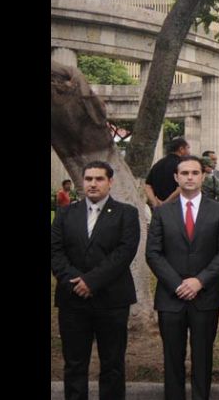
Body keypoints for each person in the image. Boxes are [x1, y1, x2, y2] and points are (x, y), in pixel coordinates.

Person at [145, 156, 219, 400]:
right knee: (172, 356)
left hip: (206, 296)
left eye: (195, 172)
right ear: (176, 177)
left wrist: (200, 281)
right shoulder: (162, 212)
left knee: (203, 355)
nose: (190, 177)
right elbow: (153, 253)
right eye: (184, 173)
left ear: (202, 176)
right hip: (170, 297)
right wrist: (177, 284)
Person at [51, 161, 140, 400]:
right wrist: (75, 281)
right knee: (74, 364)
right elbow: (55, 252)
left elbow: (124, 253)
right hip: (72, 300)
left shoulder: (127, 214)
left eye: (99, 179)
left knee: (112, 364)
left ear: (110, 182)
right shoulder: (65, 213)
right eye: (88, 178)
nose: (92, 184)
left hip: (112, 300)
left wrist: (91, 281)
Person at [145, 137, 191, 208]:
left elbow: (148, 186)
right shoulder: (183, 165)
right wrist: (165, 203)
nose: (189, 152)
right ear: (181, 149)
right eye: (188, 148)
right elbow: (181, 188)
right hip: (177, 207)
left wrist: (154, 202)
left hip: (158, 208)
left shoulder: (158, 164)